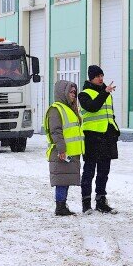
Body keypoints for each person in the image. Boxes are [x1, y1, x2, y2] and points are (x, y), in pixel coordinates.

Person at [78, 64, 119, 213]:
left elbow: (109, 114)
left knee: (104, 171)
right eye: (97, 76)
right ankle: (86, 203)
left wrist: (115, 130)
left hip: (107, 137)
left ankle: (101, 201)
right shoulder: (84, 94)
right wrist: (105, 93)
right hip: (92, 137)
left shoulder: (106, 93)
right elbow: (93, 107)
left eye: (102, 75)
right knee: (89, 171)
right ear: (91, 78)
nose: (101, 78)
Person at [45, 79, 84, 216]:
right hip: (61, 152)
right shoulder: (56, 109)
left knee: (65, 179)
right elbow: (56, 131)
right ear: (63, 93)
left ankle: (62, 205)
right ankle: (60, 206)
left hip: (70, 152)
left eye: (75, 92)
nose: (74, 94)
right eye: (71, 92)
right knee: (61, 180)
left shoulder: (69, 109)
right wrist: (61, 149)